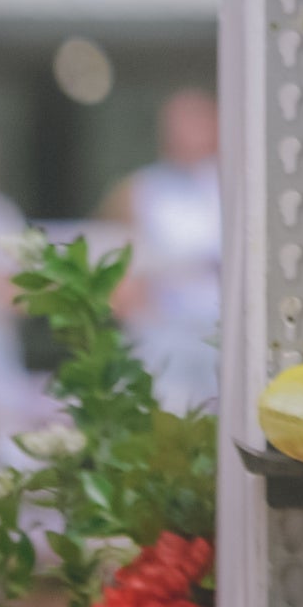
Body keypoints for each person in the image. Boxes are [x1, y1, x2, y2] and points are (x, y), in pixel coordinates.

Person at [97, 87, 222, 412]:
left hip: (225, 329)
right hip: (163, 331)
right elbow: (113, 261)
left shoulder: (240, 187)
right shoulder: (138, 188)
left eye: (195, 122)